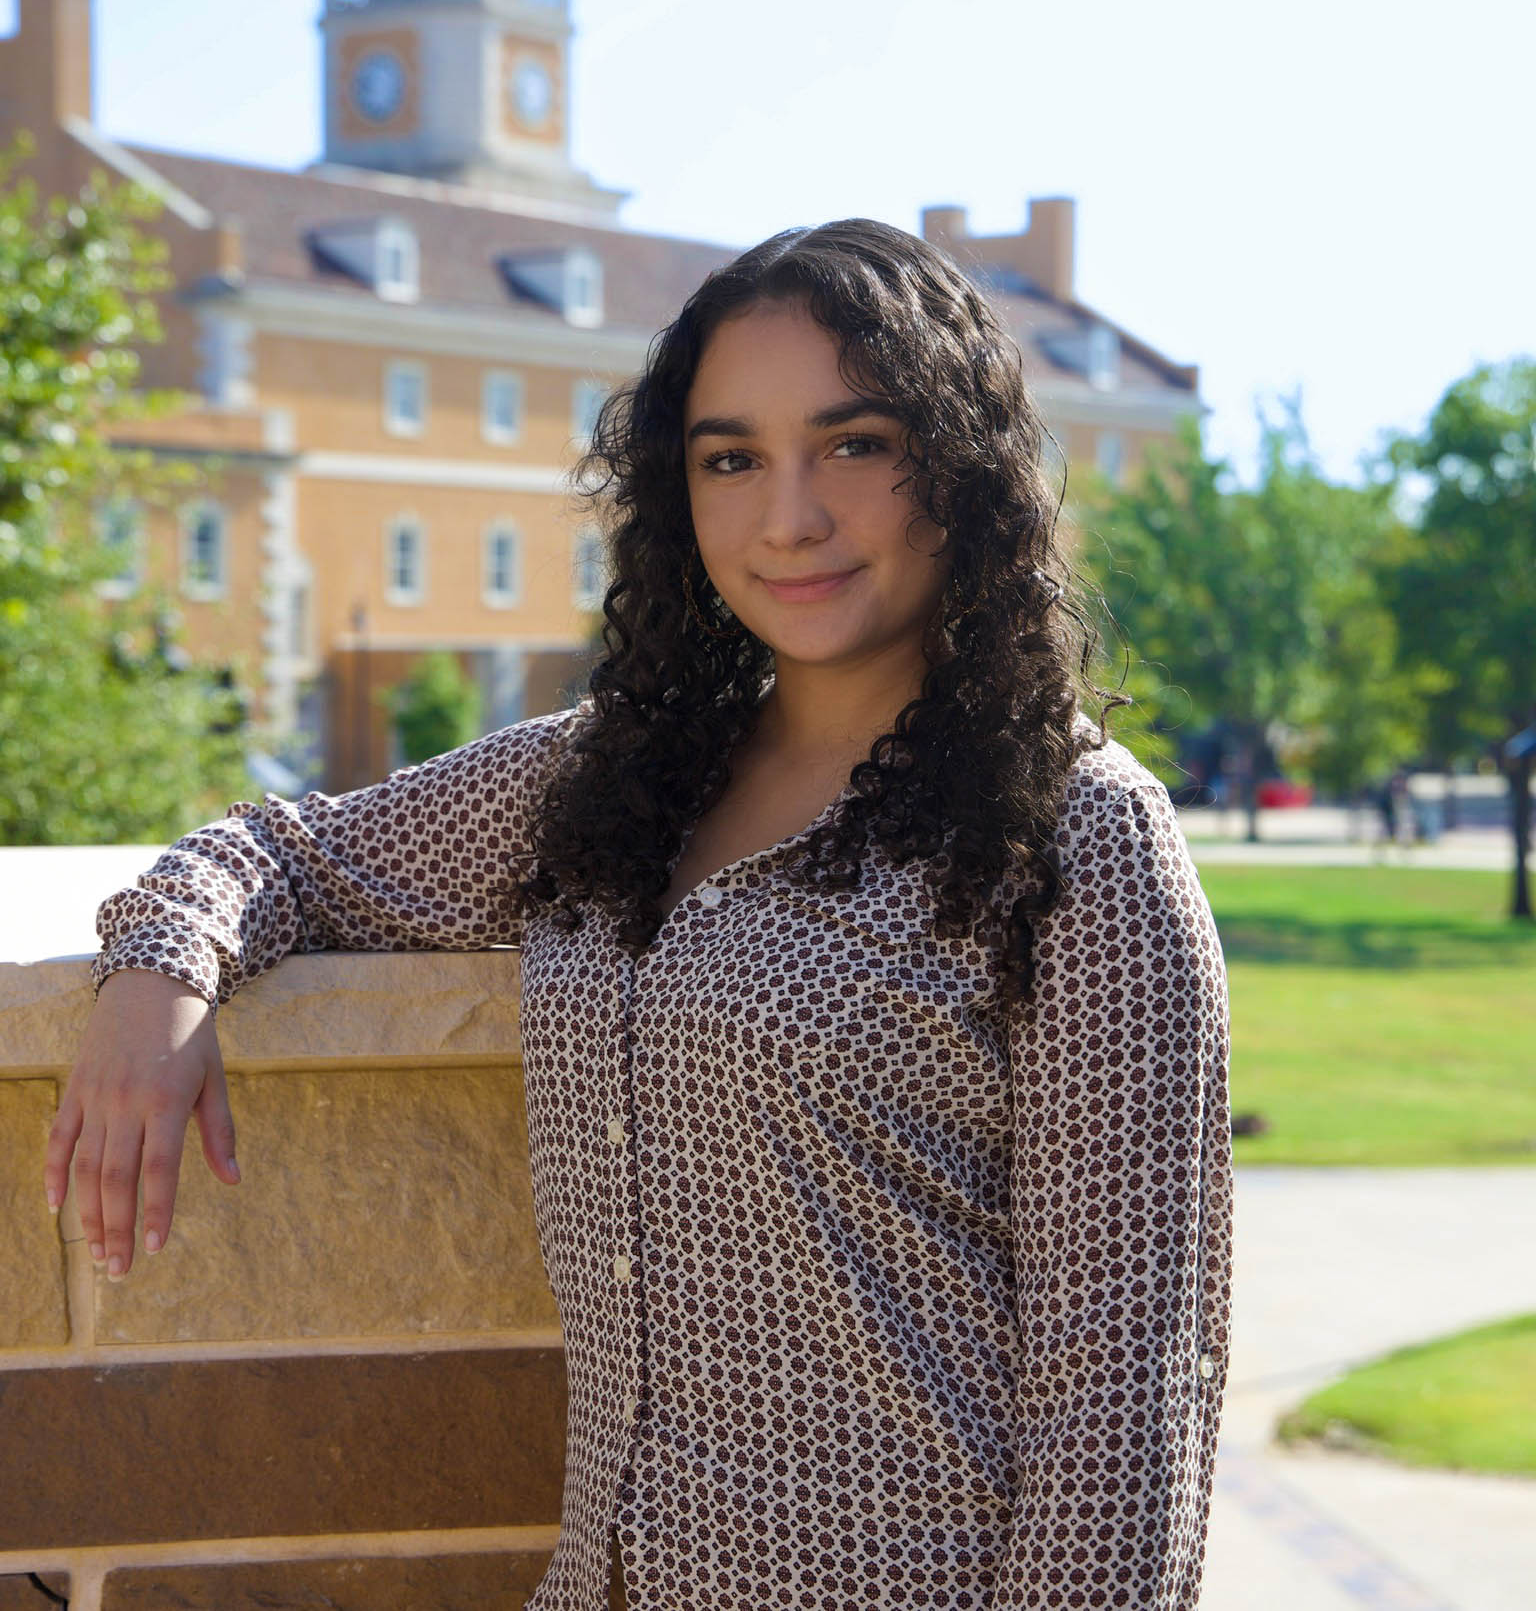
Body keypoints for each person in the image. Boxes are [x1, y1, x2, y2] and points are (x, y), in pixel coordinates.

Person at [48, 219, 1234, 1611]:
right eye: (731, 458)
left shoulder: (1081, 832)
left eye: (854, 443)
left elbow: (1128, 1406)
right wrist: (157, 980)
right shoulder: (615, 772)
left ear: (961, 468)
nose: (787, 515)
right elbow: (283, 848)